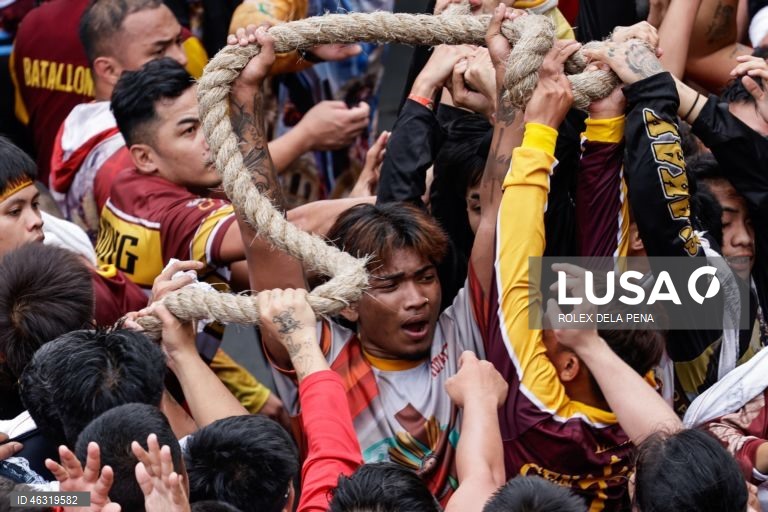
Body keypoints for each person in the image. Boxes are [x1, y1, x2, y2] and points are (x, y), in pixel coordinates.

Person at [11, 0, 207, 192]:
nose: (182, 58)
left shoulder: (30, 27)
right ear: (108, 70)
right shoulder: (136, 165)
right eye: (159, 51)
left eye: (178, 42)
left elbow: (23, 115)